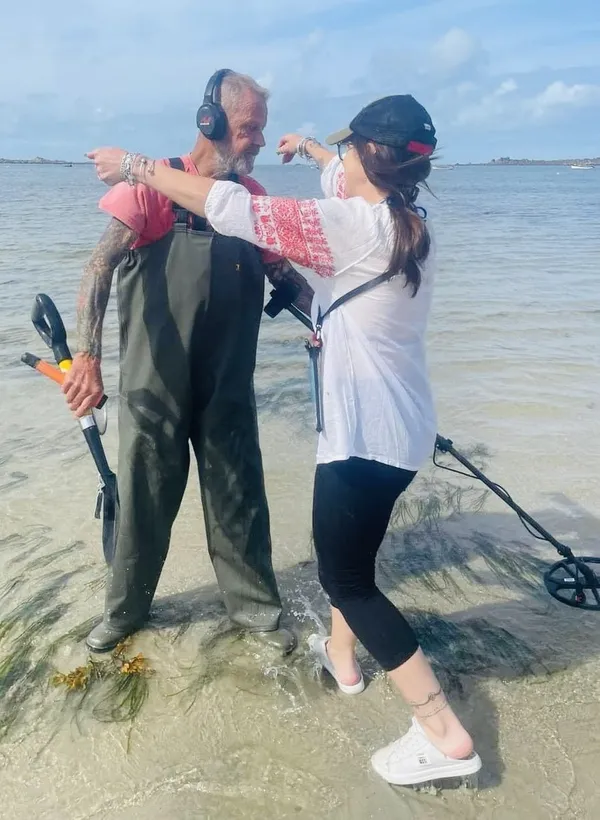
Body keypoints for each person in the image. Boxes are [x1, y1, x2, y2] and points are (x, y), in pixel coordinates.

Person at [87, 93, 483, 787]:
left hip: (359, 432)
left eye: (346, 151)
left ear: (368, 157)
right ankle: (340, 659)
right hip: (399, 425)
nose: (260, 140)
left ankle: (442, 732)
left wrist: (133, 164)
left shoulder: (338, 223)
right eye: (251, 127)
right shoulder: (403, 219)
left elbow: (233, 210)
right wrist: (314, 150)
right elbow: (339, 176)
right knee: (348, 556)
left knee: (343, 576)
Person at [63, 69, 309, 655]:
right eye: (249, 128)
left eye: (261, 129)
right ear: (211, 121)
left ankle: (256, 612)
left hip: (227, 383)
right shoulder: (152, 188)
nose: (257, 140)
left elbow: (283, 275)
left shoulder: (251, 200)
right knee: (144, 495)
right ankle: (125, 611)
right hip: (156, 381)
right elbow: (98, 268)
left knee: (238, 493)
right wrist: (87, 358)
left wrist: (335, 322)